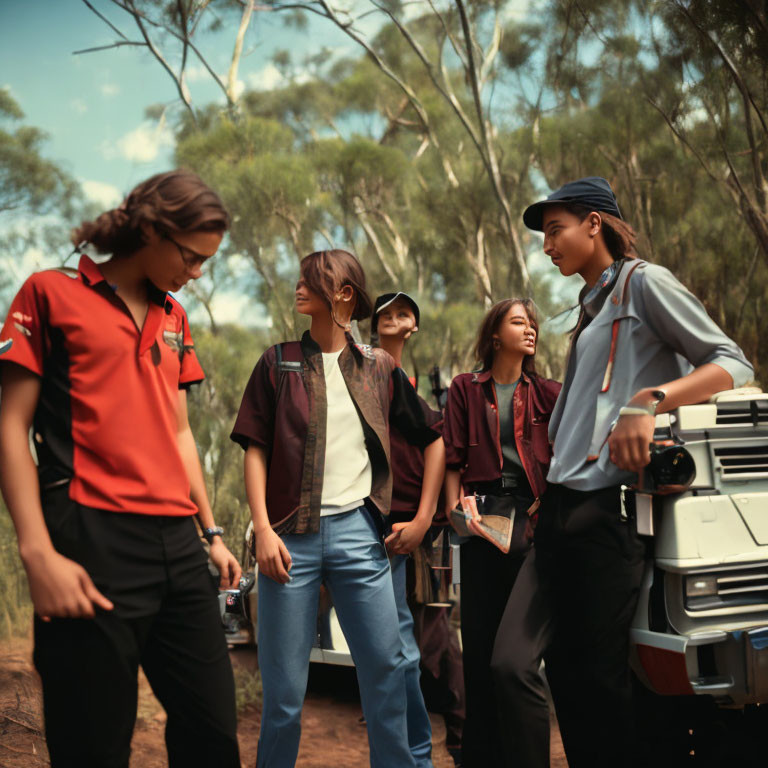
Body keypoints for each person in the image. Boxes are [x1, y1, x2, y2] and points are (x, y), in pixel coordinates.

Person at [491, 176, 754, 768]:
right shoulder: (588, 311)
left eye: (555, 229)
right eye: (544, 236)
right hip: (556, 514)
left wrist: (649, 400)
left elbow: (731, 362)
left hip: (610, 512)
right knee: (515, 663)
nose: (547, 245)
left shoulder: (644, 282)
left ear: (594, 223)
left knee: (598, 682)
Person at [0, 170, 243, 768]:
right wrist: (38, 555)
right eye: (191, 256)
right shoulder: (49, 293)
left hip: (179, 550)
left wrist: (209, 534)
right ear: (152, 230)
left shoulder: (175, 317)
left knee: (213, 737)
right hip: (90, 538)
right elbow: (9, 426)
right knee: (94, 746)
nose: (197, 272)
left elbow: (180, 432)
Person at [231, 250, 443, 768]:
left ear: (344, 293)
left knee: (387, 674)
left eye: (312, 280)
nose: (299, 286)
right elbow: (255, 449)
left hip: (359, 535)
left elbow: (433, 436)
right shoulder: (276, 361)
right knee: (283, 694)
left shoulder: (379, 367)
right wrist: (261, 528)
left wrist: (420, 520)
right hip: (289, 539)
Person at [442, 299, 561, 767]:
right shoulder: (464, 390)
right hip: (481, 528)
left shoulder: (549, 393)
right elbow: (452, 458)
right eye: (518, 321)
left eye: (532, 323)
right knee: (479, 657)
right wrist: (457, 507)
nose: (530, 328)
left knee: (514, 658)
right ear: (495, 335)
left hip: (533, 527)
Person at [372, 291, 464, 767]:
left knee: (434, 627)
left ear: (414, 326)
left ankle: (460, 734)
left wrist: (429, 516)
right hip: (381, 525)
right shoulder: (366, 375)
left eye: (403, 313)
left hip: (431, 530)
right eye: (385, 313)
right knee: (392, 632)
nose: (394, 319)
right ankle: (402, 726)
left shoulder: (411, 389)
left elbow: (441, 448)